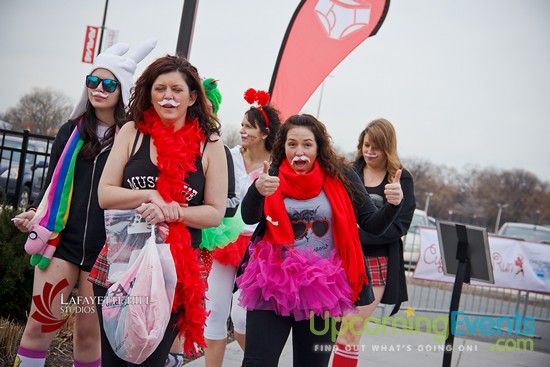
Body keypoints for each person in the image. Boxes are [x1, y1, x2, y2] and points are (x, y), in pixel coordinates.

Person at [11, 38, 156, 367]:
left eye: (109, 83)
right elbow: (51, 184)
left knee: (90, 335)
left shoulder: (134, 138)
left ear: (123, 90)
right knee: (40, 324)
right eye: (93, 81)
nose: (99, 89)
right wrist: (35, 212)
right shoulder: (70, 131)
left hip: (107, 251)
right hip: (62, 242)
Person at [89, 54, 228, 366]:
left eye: (177, 90)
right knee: (114, 360)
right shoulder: (131, 133)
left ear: (193, 97)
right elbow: (105, 194)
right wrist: (151, 195)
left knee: (150, 360)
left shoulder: (211, 144)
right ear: (149, 93)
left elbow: (214, 213)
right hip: (121, 261)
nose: (168, 96)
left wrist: (171, 212)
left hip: (175, 271)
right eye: (160, 88)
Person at [236, 114, 404, 367]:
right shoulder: (270, 176)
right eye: (292, 144)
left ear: (318, 147)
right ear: (283, 146)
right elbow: (249, 217)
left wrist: (393, 205)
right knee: (257, 362)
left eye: (307, 144)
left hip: (322, 286)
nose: (299, 151)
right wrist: (257, 191)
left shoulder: (342, 176)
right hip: (273, 282)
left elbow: (372, 223)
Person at [165, 77, 242, 367]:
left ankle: (173, 356)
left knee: (187, 301)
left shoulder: (216, 148)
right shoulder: (166, 138)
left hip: (203, 235)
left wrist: (196, 206)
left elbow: (229, 200)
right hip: (160, 234)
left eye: (210, 107)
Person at [203, 88, 282, 367]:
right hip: (225, 240)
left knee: (241, 316)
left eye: (250, 126)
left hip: (260, 247)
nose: (243, 130)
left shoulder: (277, 166)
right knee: (213, 311)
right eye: (243, 125)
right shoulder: (228, 155)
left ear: (264, 133)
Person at [331, 118, 416, 366]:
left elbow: (400, 225)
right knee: (329, 328)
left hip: (375, 262)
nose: (369, 151)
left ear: (387, 148)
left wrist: (359, 233)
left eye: (376, 147)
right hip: (341, 258)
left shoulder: (401, 178)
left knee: (351, 328)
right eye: (366, 145)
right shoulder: (349, 171)